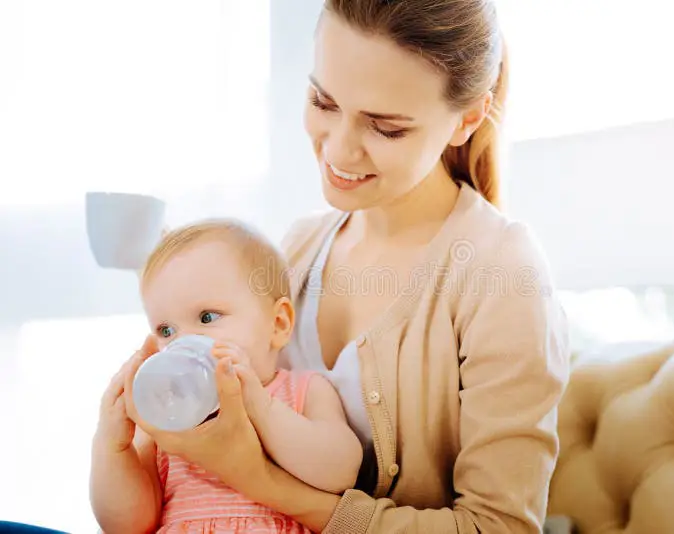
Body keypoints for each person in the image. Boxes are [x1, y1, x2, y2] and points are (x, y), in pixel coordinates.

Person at [112, 1, 571, 532]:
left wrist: (259, 481)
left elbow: (500, 527)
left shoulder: (502, 273)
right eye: (323, 101)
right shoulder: (300, 247)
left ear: (467, 119)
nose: (340, 151)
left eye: (386, 128)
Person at [89, 220, 363, 533]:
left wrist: (260, 406)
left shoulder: (303, 391)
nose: (183, 342)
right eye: (167, 330)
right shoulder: (163, 423)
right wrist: (112, 446)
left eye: (207, 317)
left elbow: (341, 472)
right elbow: (127, 524)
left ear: (278, 324)